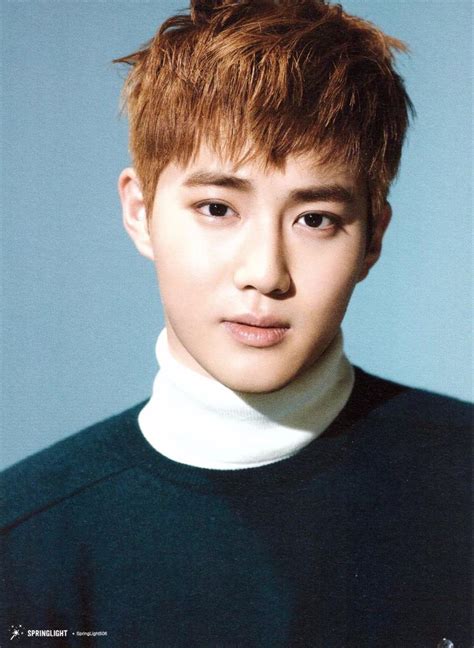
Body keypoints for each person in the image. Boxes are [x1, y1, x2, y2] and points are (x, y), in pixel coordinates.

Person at [1, 1, 471, 646]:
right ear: (140, 211)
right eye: (217, 208)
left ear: (372, 237)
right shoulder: (24, 541)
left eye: (314, 219)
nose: (265, 273)